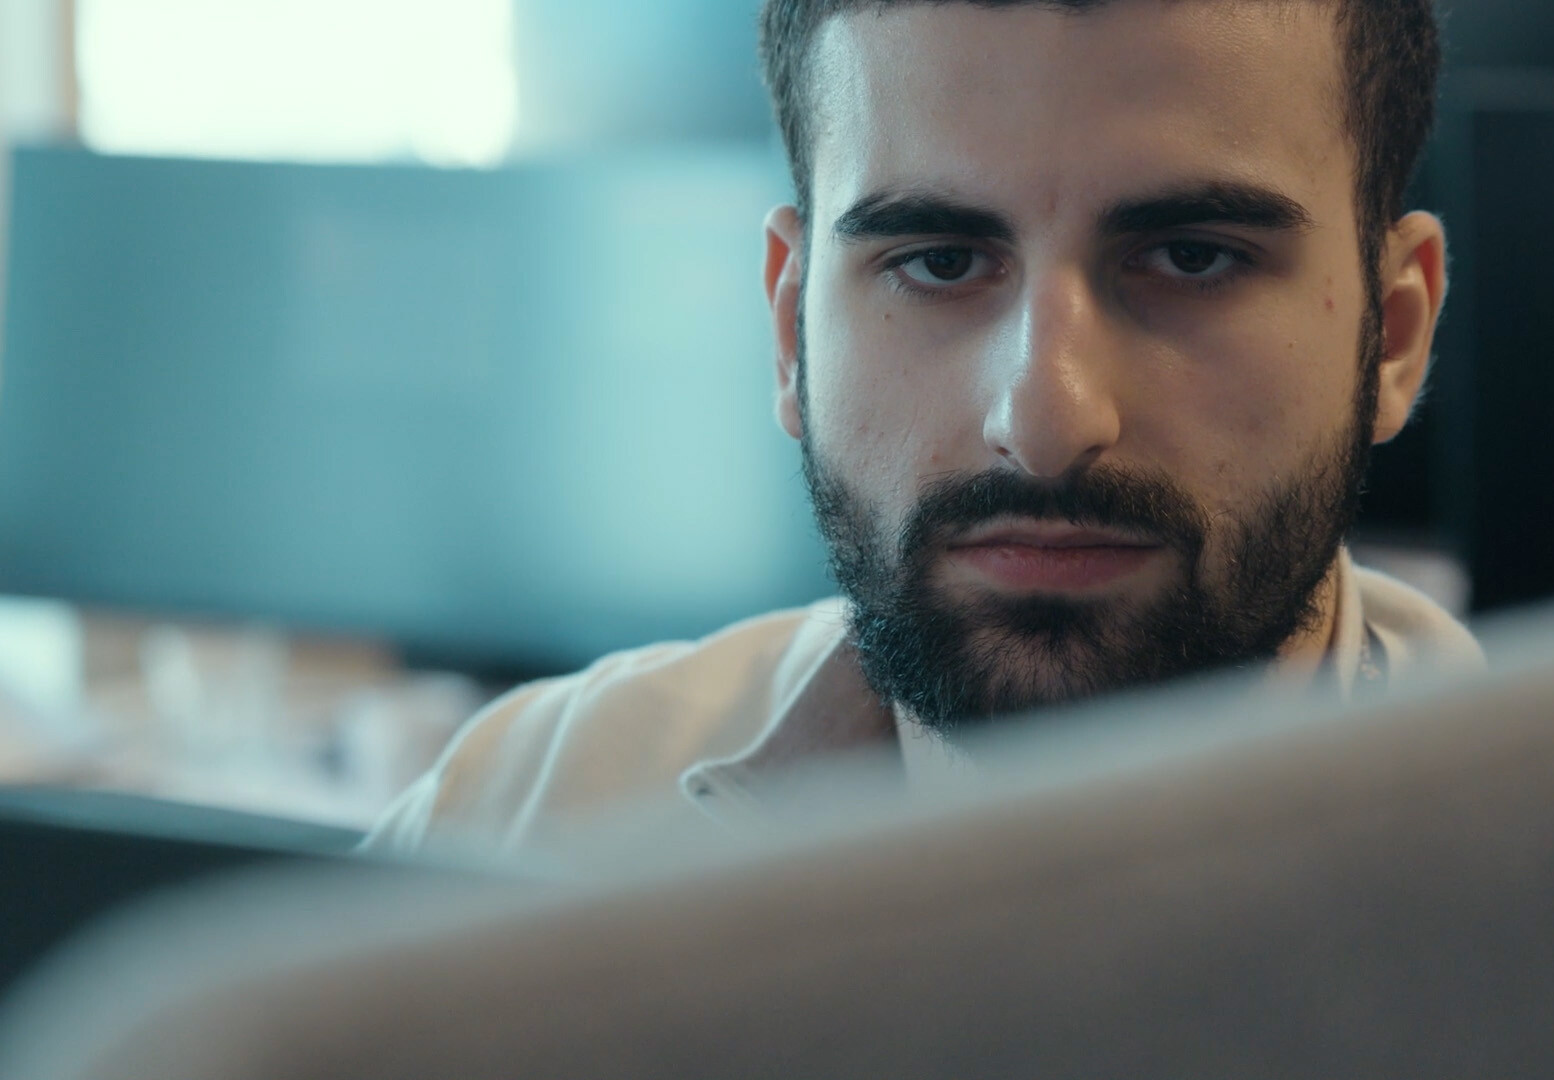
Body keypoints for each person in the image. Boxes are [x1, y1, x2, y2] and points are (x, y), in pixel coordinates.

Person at [366, 0, 1480, 855]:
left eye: (1193, 258)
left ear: (1393, 335)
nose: (1044, 422)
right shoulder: (514, 825)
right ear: (790, 331)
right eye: (940, 263)